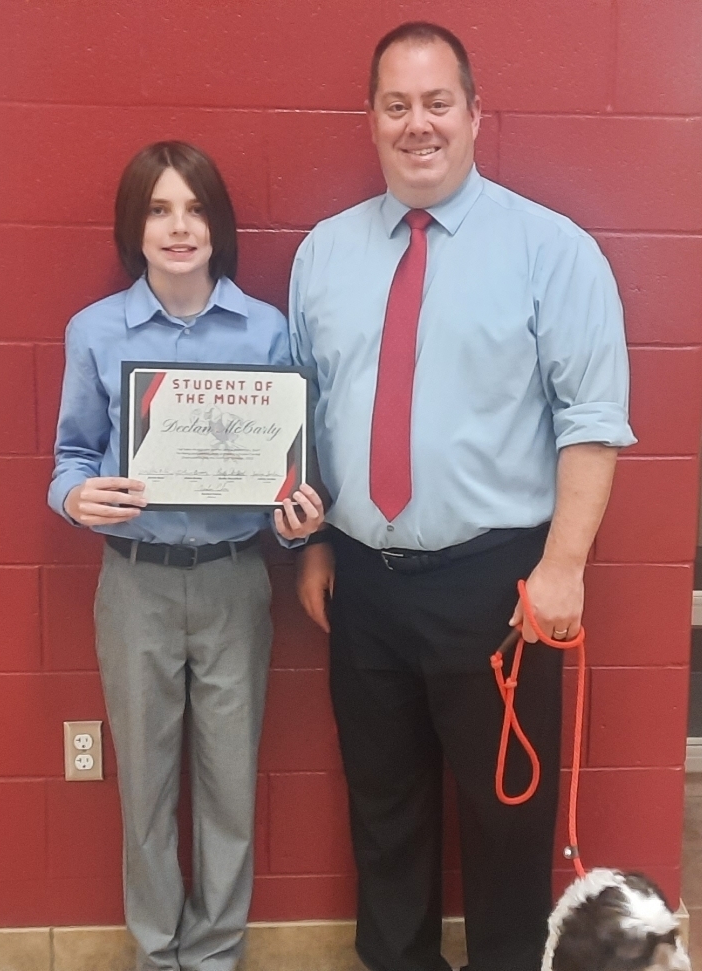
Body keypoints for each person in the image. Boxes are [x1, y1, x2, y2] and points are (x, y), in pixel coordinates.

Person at [289, 22, 635, 971]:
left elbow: (591, 419)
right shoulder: (322, 256)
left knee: (504, 821)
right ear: (369, 121)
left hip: (499, 589)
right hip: (362, 582)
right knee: (383, 808)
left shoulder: (551, 252)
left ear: (476, 115)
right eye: (396, 106)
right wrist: (315, 547)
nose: (417, 125)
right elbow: (307, 415)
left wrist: (561, 567)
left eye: (436, 103)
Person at [48, 141, 323, 971]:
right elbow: (72, 453)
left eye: (195, 208)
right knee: (146, 784)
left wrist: (298, 520)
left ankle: (214, 954)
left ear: (218, 224)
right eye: (160, 209)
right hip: (135, 584)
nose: (179, 226)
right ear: (134, 227)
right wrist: (74, 495)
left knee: (229, 783)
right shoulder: (94, 332)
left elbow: (294, 469)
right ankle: (156, 952)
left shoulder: (267, 331)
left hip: (236, 579)